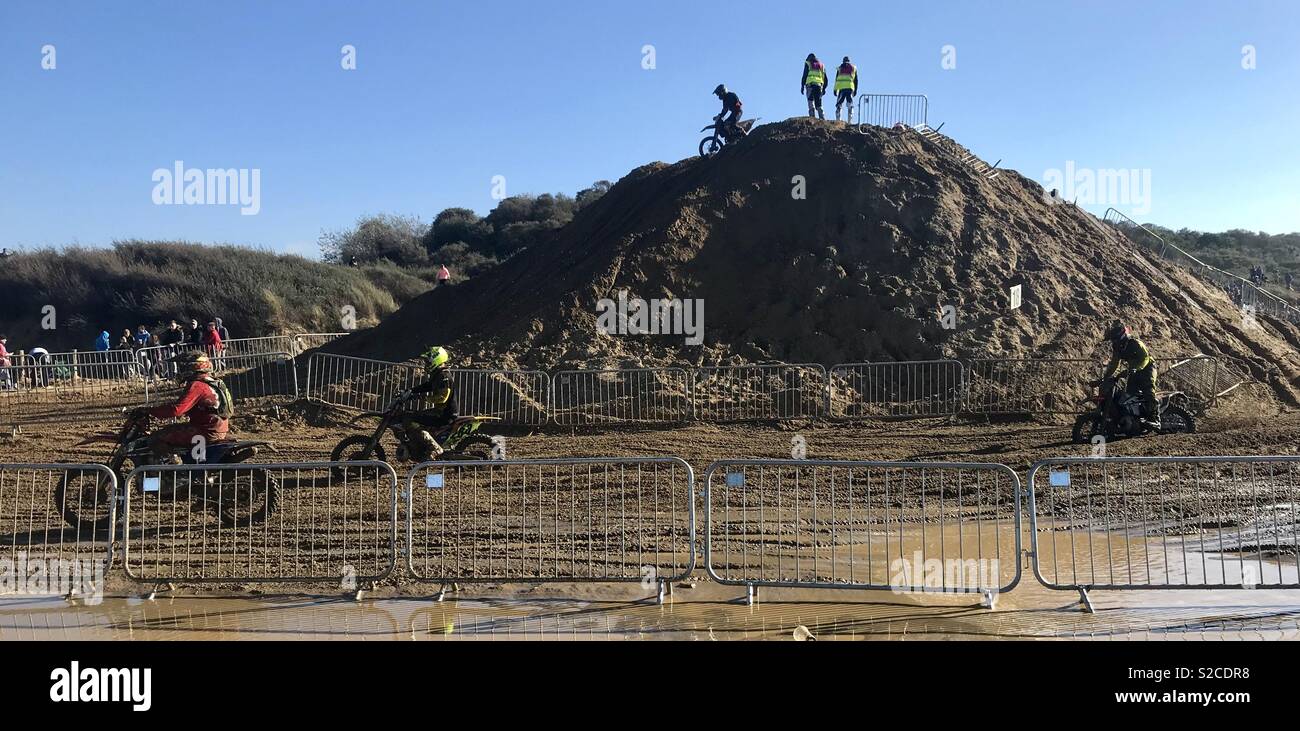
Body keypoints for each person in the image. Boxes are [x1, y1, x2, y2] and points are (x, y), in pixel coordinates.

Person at [142, 350, 233, 459]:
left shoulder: (197, 385)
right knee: (173, 428)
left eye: (182, 367)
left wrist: (150, 411)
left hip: (206, 431)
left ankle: (173, 466)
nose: (180, 370)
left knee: (155, 438)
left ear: (192, 367)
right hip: (218, 428)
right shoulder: (213, 382)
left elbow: (176, 410)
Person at [397, 346, 459, 459]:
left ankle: (435, 448)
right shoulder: (438, 375)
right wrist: (411, 391)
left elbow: (442, 398)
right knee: (412, 415)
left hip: (445, 414)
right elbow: (428, 386)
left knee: (411, 420)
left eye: (428, 361)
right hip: (440, 412)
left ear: (436, 360)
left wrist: (423, 398)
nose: (426, 364)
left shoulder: (444, 376)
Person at [1098, 320, 1160, 429]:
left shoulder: (1135, 343)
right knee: (1129, 396)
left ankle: (1155, 419)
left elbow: (1145, 358)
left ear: (1121, 337)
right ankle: (1134, 422)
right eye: (1113, 340)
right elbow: (1114, 364)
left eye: (1115, 339)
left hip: (1148, 368)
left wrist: (1137, 368)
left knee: (1148, 390)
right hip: (1133, 371)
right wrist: (1106, 377)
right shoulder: (1118, 348)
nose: (1113, 342)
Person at [801, 53, 828, 120]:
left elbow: (805, 75)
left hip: (810, 85)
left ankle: (812, 119)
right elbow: (825, 78)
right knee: (818, 102)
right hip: (819, 85)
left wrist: (802, 86)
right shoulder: (821, 65)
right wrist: (824, 88)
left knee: (810, 101)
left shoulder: (808, 63)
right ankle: (822, 118)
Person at [833, 56, 859, 123]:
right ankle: (850, 121)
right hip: (850, 88)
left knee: (839, 104)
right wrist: (855, 90)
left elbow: (836, 80)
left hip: (842, 88)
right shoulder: (853, 68)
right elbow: (856, 80)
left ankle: (838, 120)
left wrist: (835, 89)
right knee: (850, 104)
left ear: (843, 61)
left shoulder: (840, 68)